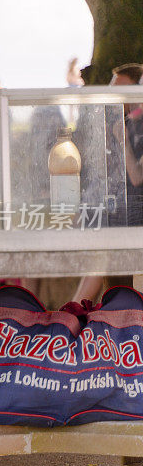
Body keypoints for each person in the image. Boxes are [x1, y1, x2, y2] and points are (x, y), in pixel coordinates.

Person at [72, 63, 143, 303]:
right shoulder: (126, 123)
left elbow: (136, 177)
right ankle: (76, 310)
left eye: (122, 90)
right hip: (120, 213)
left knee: (102, 252)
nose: (114, 96)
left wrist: (121, 141)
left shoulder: (134, 127)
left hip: (132, 216)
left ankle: (73, 310)